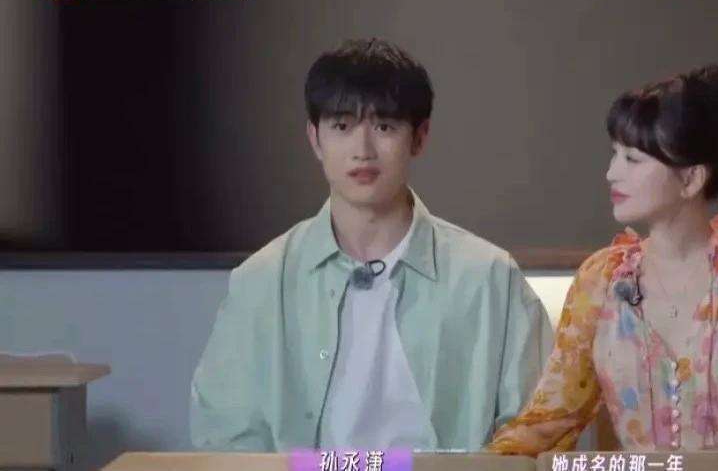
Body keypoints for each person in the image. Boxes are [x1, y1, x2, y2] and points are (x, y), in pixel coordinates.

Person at [190, 38, 552, 451]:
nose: (362, 151)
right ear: (315, 138)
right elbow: (225, 439)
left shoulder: (491, 279)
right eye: (342, 127)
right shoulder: (261, 281)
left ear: (419, 137)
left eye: (384, 127)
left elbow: (539, 431)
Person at [488, 62, 718, 455]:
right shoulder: (601, 280)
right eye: (614, 154)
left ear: (691, 179)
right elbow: (549, 421)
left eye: (632, 159)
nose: (611, 173)